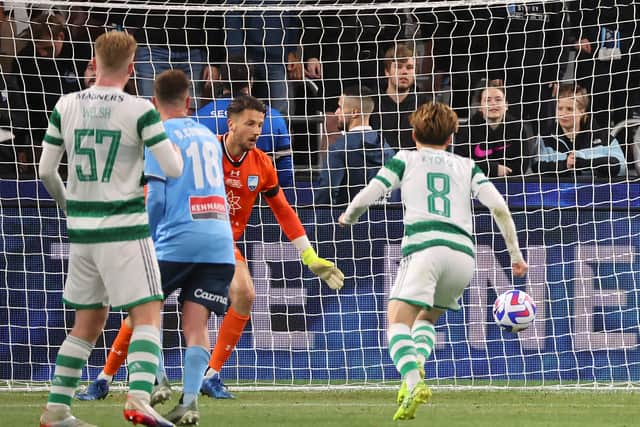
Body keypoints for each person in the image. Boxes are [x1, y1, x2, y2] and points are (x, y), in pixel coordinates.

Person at [74, 94, 344, 402]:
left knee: (245, 293)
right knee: (144, 308)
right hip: (181, 238)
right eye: (250, 124)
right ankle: (104, 378)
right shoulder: (203, 150)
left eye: (260, 124)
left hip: (222, 244)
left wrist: (308, 254)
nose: (257, 131)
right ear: (231, 124)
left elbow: (282, 209)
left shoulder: (262, 164)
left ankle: (211, 375)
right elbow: (159, 184)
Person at [338, 102, 528, 421]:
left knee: (397, 319)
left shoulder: (405, 159)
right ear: (452, 137)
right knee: (425, 319)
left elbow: (372, 191)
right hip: (463, 256)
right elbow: (499, 208)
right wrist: (515, 255)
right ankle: (415, 373)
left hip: (426, 246)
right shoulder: (467, 166)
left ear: (413, 134)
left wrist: (349, 216)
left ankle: (413, 382)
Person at [38, 31, 183, 427]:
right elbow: (171, 169)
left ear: (95, 61)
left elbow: (46, 171)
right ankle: (138, 399)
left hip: (82, 231)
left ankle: (56, 409)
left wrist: (70, 205)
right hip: (123, 227)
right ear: (132, 66)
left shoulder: (65, 104)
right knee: (148, 313)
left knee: (86, 323)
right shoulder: (139, 109)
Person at [195, 60, 294, 190]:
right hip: (259, 200)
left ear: (220, 79)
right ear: (251, 81)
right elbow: (285, 174)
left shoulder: (199, 117)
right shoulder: (273, 117)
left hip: (213, 198)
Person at [315, 86, 395, 206]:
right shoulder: (388, 150)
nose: (336, 112)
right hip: (384, 221)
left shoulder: (339, 149)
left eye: (340, 107)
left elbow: (326, 192)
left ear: (354, 113)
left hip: (348, 221)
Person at [533, 83, 627, 178]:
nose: (563, 114)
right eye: (560, 108)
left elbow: (622, 168)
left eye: (569, 109)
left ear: (582, 111)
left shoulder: (603, 137)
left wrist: (583, 162)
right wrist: (565, 165)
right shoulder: (546, 138)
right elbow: (537, 167)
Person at [454, 83, 533, 177]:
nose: (493, 103)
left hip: (510, 183)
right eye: (488, 100)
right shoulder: (467, 129)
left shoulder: (517, 127)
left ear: (506, 105)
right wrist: (493, 169)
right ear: (480, 107)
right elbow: (461, 163)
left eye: (498, 99)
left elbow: (522, 165)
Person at [370, 43, 432, 151]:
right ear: (387, 72)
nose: (404, 72)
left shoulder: (425, 105)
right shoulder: (371, 102)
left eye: (409, 67)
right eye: (398, 67)